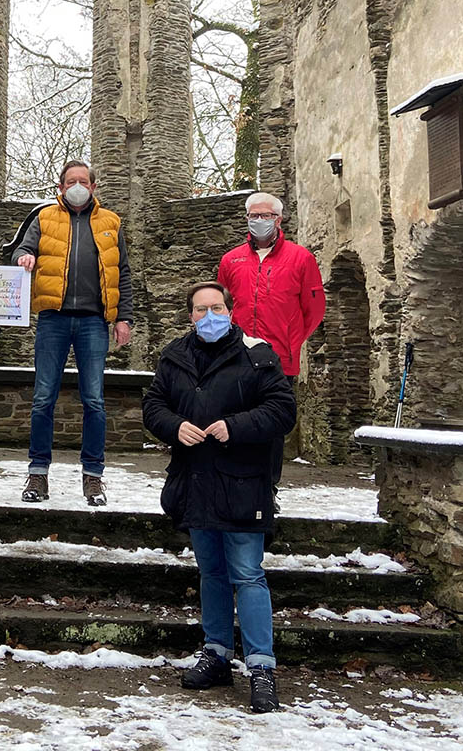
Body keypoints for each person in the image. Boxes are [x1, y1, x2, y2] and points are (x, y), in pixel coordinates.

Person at [141, 281, 296, 714]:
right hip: (195, 482)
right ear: (189, 315)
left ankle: (262, 668)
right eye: (200, 309)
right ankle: (216, 654)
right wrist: (174, 426)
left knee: (247, 573)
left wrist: (236, 425)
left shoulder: (258, 352)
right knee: (210, 571)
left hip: (243, 482)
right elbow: (153, 405)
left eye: (216, 307)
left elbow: (283, 410)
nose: (209, 315)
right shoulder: (175, 356)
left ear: (229, 309)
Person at [11, 160, 133, 506]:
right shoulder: (44, 218)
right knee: (42, 398)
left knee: (93, 400)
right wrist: (24, 258)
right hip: (54, 319)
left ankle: (93, 477)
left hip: (94, 321)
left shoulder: (111, 223)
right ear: (61, 187)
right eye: (71, 181)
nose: (77, 185)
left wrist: (123, 318)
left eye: (84, 181)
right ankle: (38, 474)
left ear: (93, 187)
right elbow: (21, 248)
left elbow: (122, 272)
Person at [217, 192, 325, 500]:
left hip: (279, 358)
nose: (258, 221)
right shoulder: (231, 259)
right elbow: (221, 304)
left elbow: (314, 309)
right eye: (253, 216)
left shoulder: (301, 258)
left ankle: (267, 489)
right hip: (237, 354)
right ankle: (232, 485)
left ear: (278, 220)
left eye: (265, 216)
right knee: (234, 419)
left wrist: (292, 339)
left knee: (271, 425)